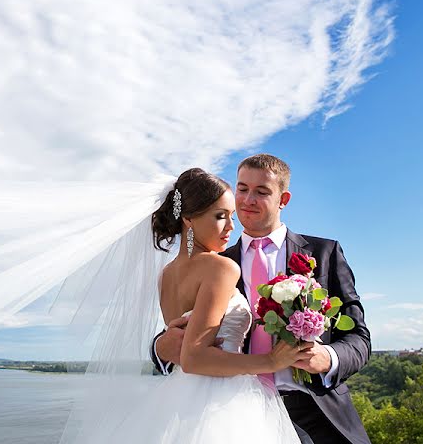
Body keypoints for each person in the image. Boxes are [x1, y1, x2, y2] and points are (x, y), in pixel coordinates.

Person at [152, 155, 372, 444]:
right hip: (231, 411)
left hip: (314, 409)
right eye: (242, 189)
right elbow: (190, 333)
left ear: (284, 199)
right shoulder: (215, 262)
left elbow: (359, 337)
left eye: (262, 192)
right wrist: (159, 347)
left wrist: (327, 358)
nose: (247, 200)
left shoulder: (324, 253)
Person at [79, 167, 303, 443]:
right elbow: (194, 357)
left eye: (231, 217)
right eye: (220, 216)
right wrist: (270, 361)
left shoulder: (167, 275)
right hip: (220, 402)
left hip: (177, 396)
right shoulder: (221, 268)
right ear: (188, 219)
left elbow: (182, 346)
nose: (231, 227)